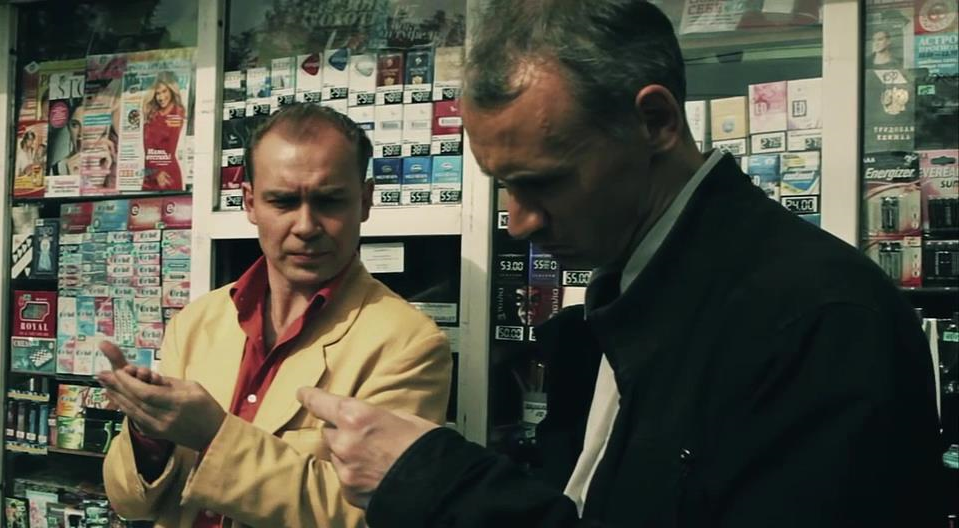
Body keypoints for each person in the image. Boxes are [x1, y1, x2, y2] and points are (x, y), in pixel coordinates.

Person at [297, 1, 945, 526]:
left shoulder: (818, 320)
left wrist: (439, 486)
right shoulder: (622, 301)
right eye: (504, 186)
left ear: (655, 121)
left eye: (544, 183)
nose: (518, 222)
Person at [96, 103, 453, 528]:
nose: (306, 226)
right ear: (250, 203)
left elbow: (369, 515)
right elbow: (130, 503)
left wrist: (213, 435)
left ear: (365, 201)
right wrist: (148, 433)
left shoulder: (408, 344)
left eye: (329, 201)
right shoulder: (196, 322)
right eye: (283, 201)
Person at [142, 71, 187, 191]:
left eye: (164, 91)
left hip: (166, 174)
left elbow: (170, 149)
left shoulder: (177, 112)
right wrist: (153, 172)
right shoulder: (152, 113)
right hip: (150, 172)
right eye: (157, 93)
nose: (161, 97)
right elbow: (147, 148)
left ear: (171, 90)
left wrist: (158, 173)